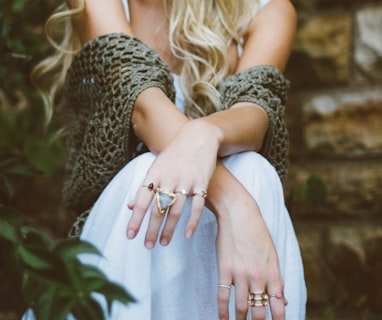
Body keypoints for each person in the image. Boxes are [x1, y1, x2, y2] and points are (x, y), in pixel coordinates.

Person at [29, 0, 307, 319]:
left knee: (253, 169)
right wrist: (235, 204)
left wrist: (204, 133)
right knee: (147, 169)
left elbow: (256, 114)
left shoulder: (266, 9)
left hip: (209, 239)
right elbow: (142, 107)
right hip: (133, 228)